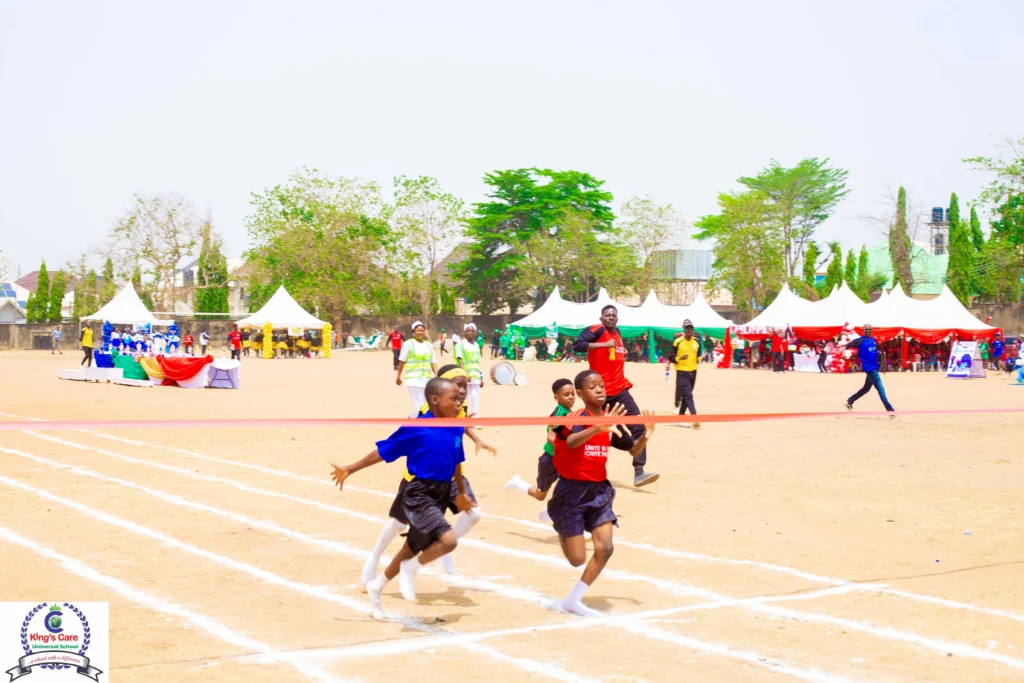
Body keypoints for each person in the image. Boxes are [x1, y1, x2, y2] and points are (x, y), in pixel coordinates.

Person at [330, 377, 472, 617]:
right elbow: (383, 451)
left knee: (410, 548)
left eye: (460, 398)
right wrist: (350, 469)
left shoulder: (456, 425)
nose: (459, 403)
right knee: (448, 541)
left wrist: (460, 492)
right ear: (435, 400)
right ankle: (412, 568)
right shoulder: (417, 428)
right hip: (419, 492)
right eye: (453, 399)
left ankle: (377, 586)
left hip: (442, 491)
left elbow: (457, 461)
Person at [360, 366, 494, 584]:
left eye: (464, 385)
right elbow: (421, 434)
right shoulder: (428, 410)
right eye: (458, 385)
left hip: (449, 475)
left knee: (473, 513)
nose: (462, 390)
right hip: (419, 479)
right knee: (398, 523)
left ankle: (444, 550)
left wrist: (476, 437)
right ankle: (374, 558)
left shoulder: (458, 404)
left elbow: (457, 426)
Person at [547, 370, 655, 615]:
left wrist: (646, 435)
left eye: (601, 384)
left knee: (605, 549)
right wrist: (598, 428)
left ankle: (573, 600)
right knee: (576, 559)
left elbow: (633, 451)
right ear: (581, 393)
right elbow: (572, 441)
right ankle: (558, 518)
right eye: (592, 386)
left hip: (598, 491)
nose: (599, 389)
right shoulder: (576, 417)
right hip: (571, 492)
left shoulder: (609, 420)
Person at [573, 305, 659, 487]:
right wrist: (604, 344)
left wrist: (621, 349)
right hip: (600, 394)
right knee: (605, 433)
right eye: (607, 316)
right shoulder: (596, 330)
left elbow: (613, 353)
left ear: (617, 318)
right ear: (601, 318)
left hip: (620, 390)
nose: (610, 318)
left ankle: (639, 472)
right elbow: (578, 345)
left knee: (639, 426)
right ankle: (574, 467)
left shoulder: (617, 334)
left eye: (613, 315)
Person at [504, 378, 577, 512]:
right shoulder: (559, 415)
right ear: (557, 397)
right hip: (551, 460)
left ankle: (564, 518)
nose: (571, 397)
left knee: (572, 489)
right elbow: (550, 437)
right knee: (540, 495)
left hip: (565, 460)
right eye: (566, 395)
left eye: (573, 393)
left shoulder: (571, 413)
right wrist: (569, 445)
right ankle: (517, 482)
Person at [844, 324, 895, 416]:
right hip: (870, 369)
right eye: (866, 329)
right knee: (881, 390)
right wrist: (844, 354)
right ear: (863, 330)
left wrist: (881, 353)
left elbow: (875, 350)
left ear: (871, 330)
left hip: (874, 367)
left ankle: (850, 401)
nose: (868, 331)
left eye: (869, 329)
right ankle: (890, 411)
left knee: (866, 389)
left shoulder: (873, 340)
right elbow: (846, 346)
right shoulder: (859, 340)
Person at [396, 321, 437, 417]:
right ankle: (418, 424)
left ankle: (412, 418)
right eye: (418, 331)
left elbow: (433, 361)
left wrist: (437, 375)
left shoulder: (428, 345)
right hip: (413, 379)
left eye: (422, 331)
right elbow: (402, 361)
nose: (420, 333)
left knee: (425, 405)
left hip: (426, 379)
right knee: (418, 405)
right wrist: (398, 377)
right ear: (413, 332)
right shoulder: (408, 344)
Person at [671, 319, 700, 429]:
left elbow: (697, 356)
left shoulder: (696, 342)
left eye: (691, 328)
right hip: (682, 372)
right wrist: (679, 358)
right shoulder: (677, 342)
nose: (689, 330)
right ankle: (694, 417)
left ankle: (681, 417)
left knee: (686, 396)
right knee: (688, 396)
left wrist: (697, 360)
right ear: (684, 329)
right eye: (687, 328)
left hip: (693, 372)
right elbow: (671, 357)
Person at [454, 323, 484, 416]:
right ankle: (462, 417)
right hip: (464, 376)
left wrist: (481, 376)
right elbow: (459, 359)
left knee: (475, 398)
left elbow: (477, 362)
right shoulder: (461, 344)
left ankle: (475, 419)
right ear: (465, 333)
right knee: (463, 398)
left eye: (472, 331)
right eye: (468, 331)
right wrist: (465, 374)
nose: (470, 333)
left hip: (475, 376)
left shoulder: (476, 345)